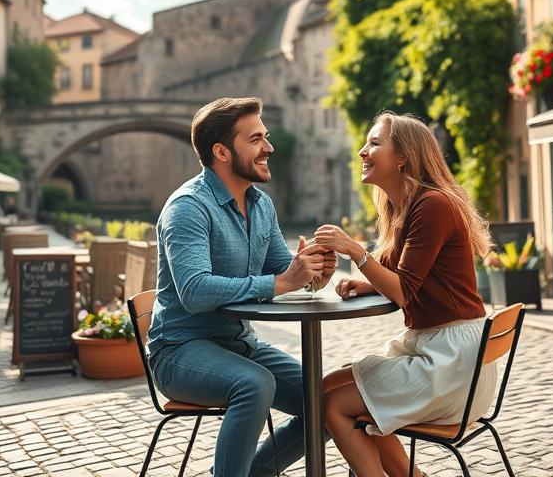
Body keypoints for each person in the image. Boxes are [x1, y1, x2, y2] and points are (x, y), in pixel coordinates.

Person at [147, 97, 337, 477]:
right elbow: (195, 290)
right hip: (179, 350)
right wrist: (283, 282)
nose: (269, 147)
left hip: (240, 345)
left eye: (265, 137)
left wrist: (315, 272)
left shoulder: (261, 204)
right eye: (256, 139)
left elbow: (281, 269)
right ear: (221, 151)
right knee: (255, 385)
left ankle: (258, 473)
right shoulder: (188, 207)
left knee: (331, 401)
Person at [313, 112, 494, 477]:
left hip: (450, 364)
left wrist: (356, 252)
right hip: (446, 352)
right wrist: (368, 281)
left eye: (375, 143)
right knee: (329, 389)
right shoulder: (411, 207)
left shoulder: (433, 206)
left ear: (403, 157)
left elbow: (406, 291)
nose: (363, 151)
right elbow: (410, 280)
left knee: (331, 403)